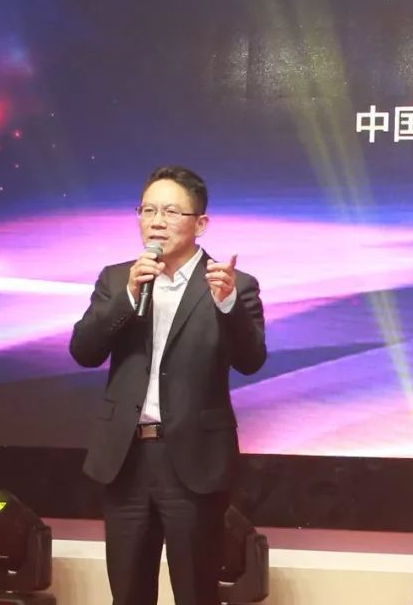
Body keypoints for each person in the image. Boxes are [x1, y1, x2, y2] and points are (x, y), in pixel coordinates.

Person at [70, 165, 267, 605]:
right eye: (148, 210)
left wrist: (228, 306)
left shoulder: (232, 285)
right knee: (128, 594)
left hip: (193, 463)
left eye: (171, 212)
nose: (156, 222)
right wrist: (126, 297)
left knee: (195, 593)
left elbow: (251, 360)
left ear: (201, 224)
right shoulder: (117, 279)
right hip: (126, 460)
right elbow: (84, 351)